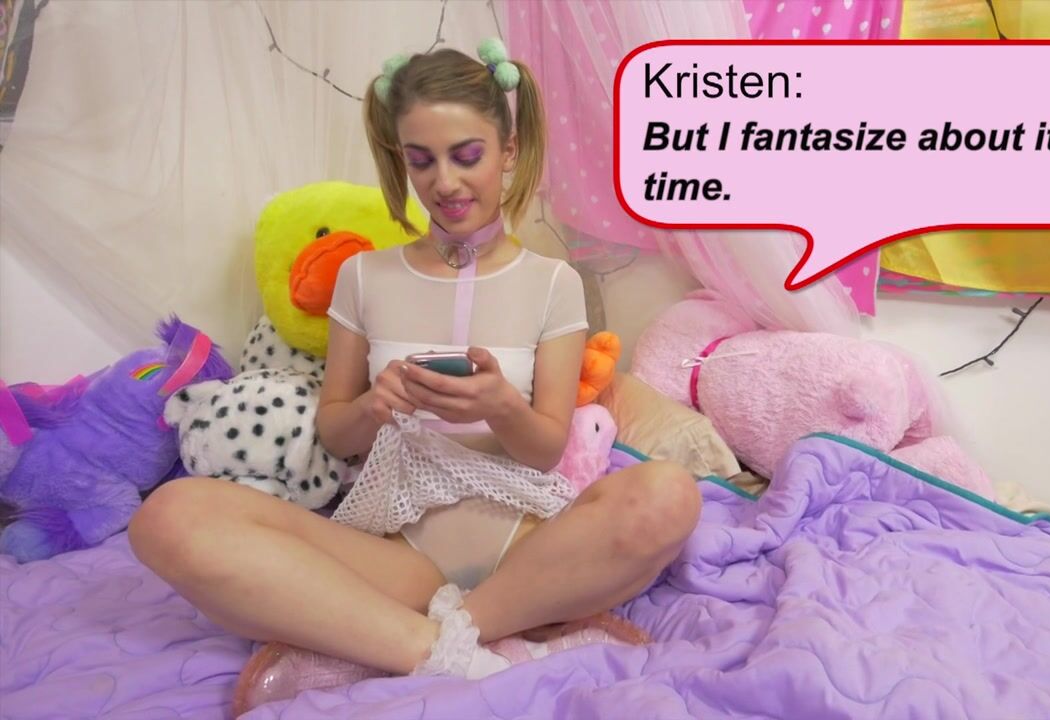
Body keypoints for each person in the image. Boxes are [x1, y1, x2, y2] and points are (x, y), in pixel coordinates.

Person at [127, 40, 701, 714]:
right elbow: (335, 434)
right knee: (168, 516)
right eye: (420, 160)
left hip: (528, 547)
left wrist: (501, 405)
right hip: (398, 553)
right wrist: (373, 405)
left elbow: (547, 449)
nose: (445, 183)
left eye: (466, 156)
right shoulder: (363, 275)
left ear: (508, 150)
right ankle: (447, 647)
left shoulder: (554, 283)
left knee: (669, 493)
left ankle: (413, 636)